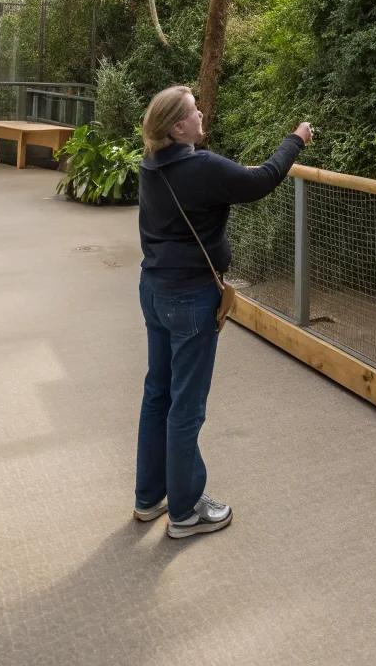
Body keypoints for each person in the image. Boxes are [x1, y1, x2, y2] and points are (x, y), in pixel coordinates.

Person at [133, 84, 312, 539]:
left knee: (159, 392)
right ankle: (186, 511)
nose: (201, 116)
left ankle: (150, 497)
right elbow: (262, 180)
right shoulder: (201, 166)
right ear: (177, 126)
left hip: (154, 289)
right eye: (194, 112)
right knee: (186, 406)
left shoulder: (151, 164)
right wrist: (296, 139)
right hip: (191, 298)